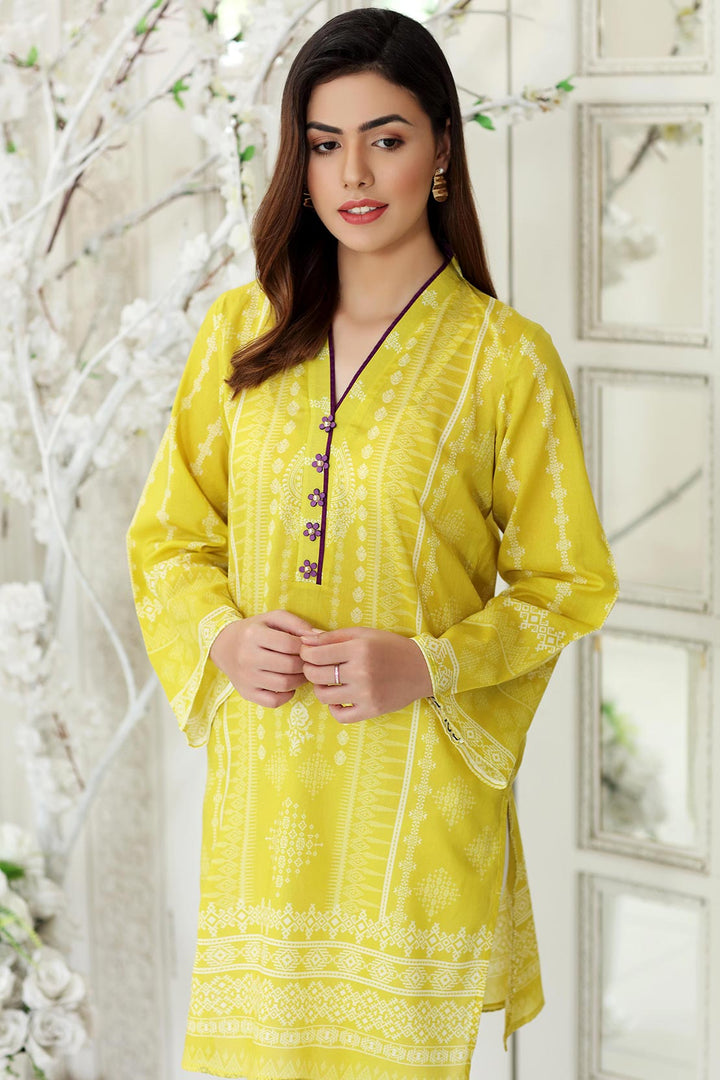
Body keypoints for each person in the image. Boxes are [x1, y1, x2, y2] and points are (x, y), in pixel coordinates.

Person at [126, 7, 618, 1078]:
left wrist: (430, 664)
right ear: (298, 162)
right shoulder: (242, 331)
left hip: (413, 807)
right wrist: (220, 638)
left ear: (439, 148)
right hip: (265, 805)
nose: (353, 172)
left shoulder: (505, 359)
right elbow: (168, 539)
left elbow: (568, 582)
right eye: (324, 142)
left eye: (385, 138)